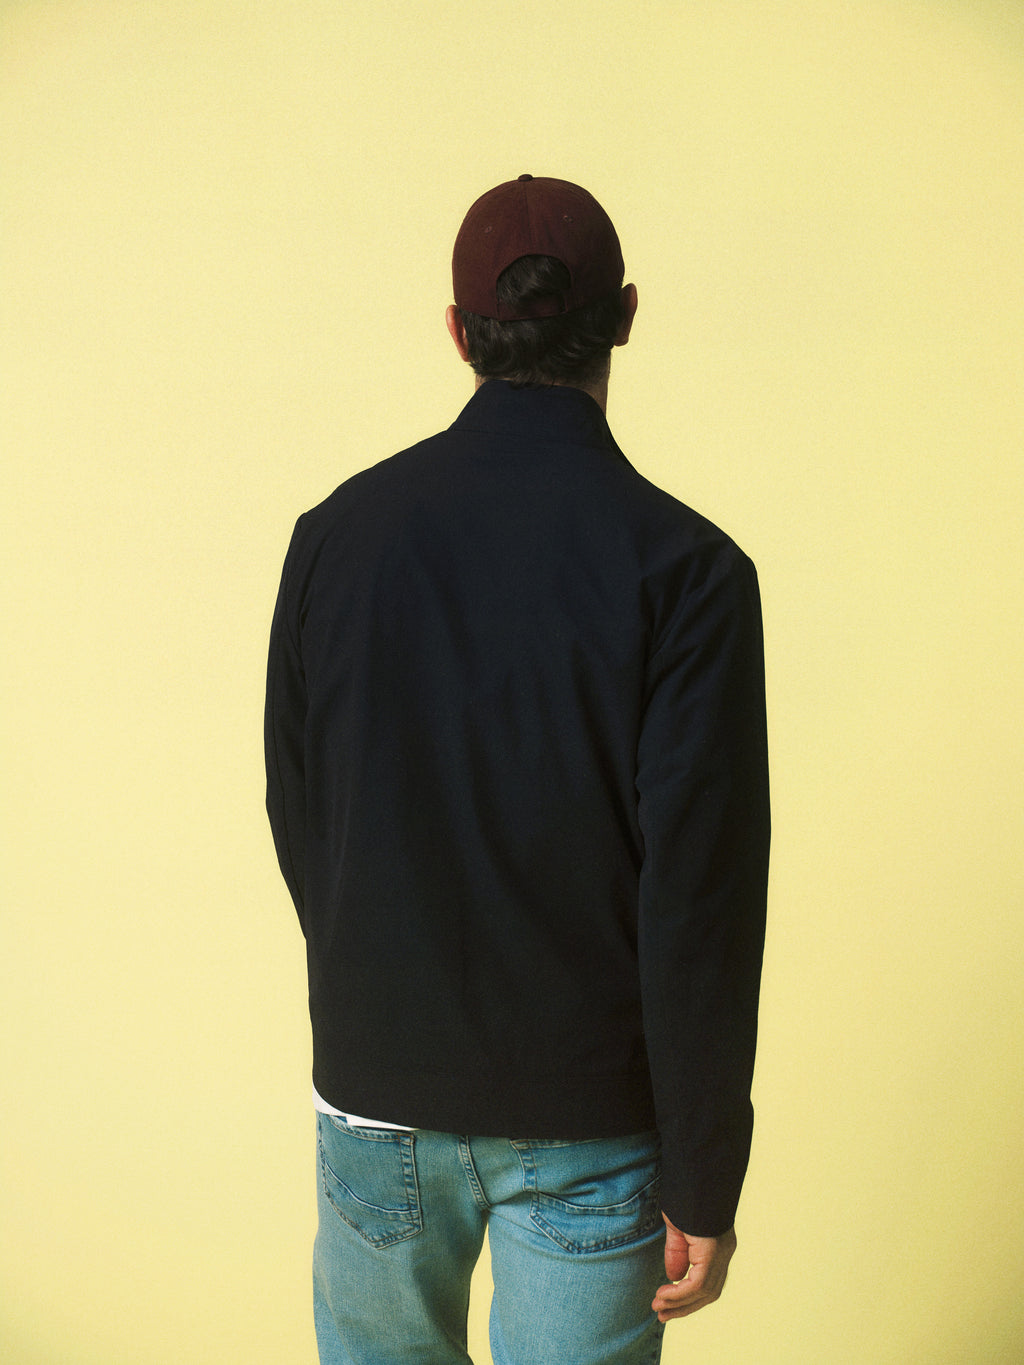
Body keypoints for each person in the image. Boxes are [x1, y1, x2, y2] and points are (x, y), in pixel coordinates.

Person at [265, 173, 770, 1365]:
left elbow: (300, 808)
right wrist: (704, 1167)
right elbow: (698, 895)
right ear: (627, 315)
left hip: (375, 1091)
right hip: (589, 1112)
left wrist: (378, 993)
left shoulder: (335, 538)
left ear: (457, 332)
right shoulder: (689, 572)